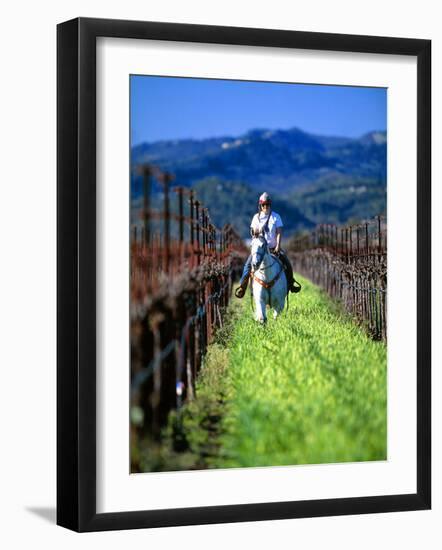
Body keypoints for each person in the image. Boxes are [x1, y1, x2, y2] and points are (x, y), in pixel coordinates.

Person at [235, 192, 298, 298]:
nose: (265, 207)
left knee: (287, 263)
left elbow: (279, 232)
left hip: (273, 248)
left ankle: (291, 284)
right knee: (247, 265)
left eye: (267, 204)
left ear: (270, 204)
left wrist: (278, 245)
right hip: (260, 250)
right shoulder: (256, 218)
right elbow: (252, 232)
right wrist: (255, 230)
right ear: (260, 205)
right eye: (263, 204)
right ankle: (242, 286)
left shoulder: (276, 217)